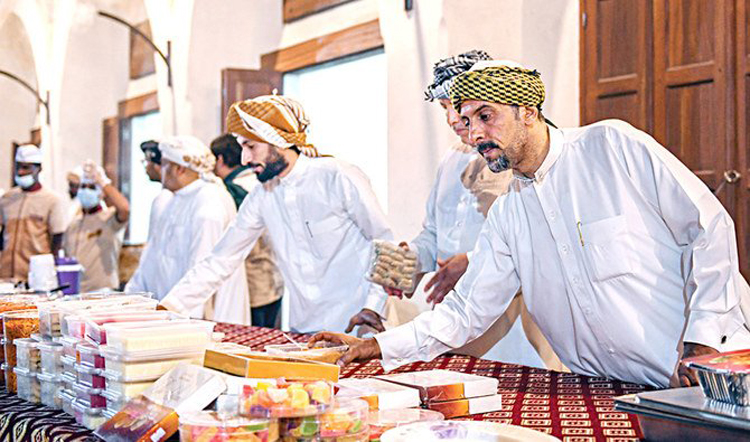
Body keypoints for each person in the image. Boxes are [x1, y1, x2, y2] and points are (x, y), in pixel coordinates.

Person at [311, 62, 750, 389]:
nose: (473, 133)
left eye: (485, 116)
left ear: (527, 110)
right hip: (611, 390)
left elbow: (708, 228)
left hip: (707, 374)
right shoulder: (503, 208)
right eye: (465, 120)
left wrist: (704, 340)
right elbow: (463, 306)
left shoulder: (611, 147)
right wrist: (377, 344)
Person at [379, 51, 559, 369]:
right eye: (444, 108)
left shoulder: (518, 158)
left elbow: (540, 241)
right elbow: (434, 233)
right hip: (454, 323)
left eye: (456, 105)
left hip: (514, 328)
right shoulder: (451, 159)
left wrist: (471, 262)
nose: (453, 119)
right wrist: (405, 264)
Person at [160, 95, 392, 333]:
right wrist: (168, 308)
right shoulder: (261, 196)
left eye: (251, 147)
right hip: (305, 331)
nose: (244, 159)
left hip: (360, 325)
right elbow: (221, 258)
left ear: (279, 140)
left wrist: (374, 307)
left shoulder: (337, 176)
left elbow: (387, 244)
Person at [126, 136, 249, 324]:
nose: (160, 170)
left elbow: (204, 268)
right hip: (169, 312)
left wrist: (187, 320)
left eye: (164, 164)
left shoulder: (209, 201)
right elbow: (151, 257)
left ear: (179, 168)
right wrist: (131, 299)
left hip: (199, 316)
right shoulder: (167, 200)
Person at [210, 134, 284, 328]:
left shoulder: (233, 189)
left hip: (251, 281)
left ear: (219, 159)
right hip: (274, 277)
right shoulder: (262, 180)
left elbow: (230, 242)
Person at [0, 145, 65, 281]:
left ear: (38, 169)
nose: (21, 172)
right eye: (18, 167)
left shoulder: (51, 200)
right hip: (6, 275)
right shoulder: (7, 199)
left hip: (35, 276)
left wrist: (50, 271)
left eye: (26, 168)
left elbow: (57, 239)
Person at [63, 161, 129, 291]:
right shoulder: (73, 224)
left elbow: (124, 209)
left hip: (104, 292)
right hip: (77, 292)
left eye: (92, 187)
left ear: (101, 193)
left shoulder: (109, 218)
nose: (86, 191)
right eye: (83, 186)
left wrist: (103, 182)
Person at [140, 140, 173, 240]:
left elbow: (156, 241)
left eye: (147, 162)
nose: (146, 167)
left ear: (157, 166)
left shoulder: (164, 199)